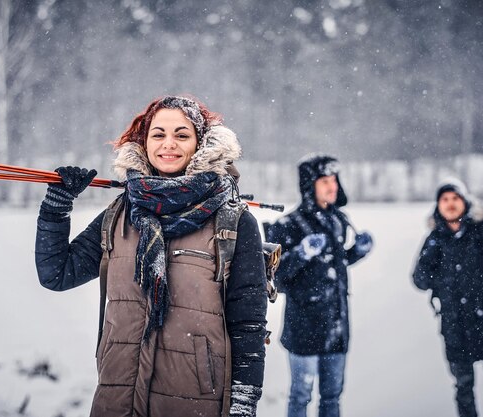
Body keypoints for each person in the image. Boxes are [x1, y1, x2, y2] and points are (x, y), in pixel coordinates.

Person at [34, 95, 269, 417]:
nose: (168, 144)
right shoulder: (119, 214)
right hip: (119, 397)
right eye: (158, 134)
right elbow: (57, 274)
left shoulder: (234, 222)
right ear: (143, 143)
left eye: (182, 135)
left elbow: (248, 325)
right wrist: (56, 208)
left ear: (201, 145)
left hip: (196, 403)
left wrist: (243, 405)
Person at [264, 154, 373, 417]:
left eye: (334, 180)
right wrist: (301, 253)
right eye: (325, 181)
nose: (332, 186)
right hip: (304, 329)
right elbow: (274, 279)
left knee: (332, 397)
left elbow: (332, 266)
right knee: (301, 396)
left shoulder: (337, 221)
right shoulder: (288, 225)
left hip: (337, 326)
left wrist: (356, 252)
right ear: (309, 185)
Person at [412, 178, 483, 417]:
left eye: (455, 198)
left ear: (465, 202)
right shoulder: (436, 238)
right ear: (437, 206)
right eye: (445, 200)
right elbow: (419, 280)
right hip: (455, 326)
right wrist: (433, 255)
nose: (450, 204)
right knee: (463, 387)